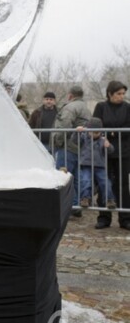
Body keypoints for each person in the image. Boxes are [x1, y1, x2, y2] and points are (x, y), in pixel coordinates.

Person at [92, 80, 130, 230]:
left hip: (124, 152)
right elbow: (96, 125)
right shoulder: (101, 107)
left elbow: (128, 127)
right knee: (103, 183)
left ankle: (125, 218)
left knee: (123, 185)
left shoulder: (127, 107)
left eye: (123, 94)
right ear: (110, 93)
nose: (121, 96)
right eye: (119, 93)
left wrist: (111, 132)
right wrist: (111, 132)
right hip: (104, 152)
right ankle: (103, 217)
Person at [53, 85, 91, 217]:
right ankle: (75, 206)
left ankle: (65, 207)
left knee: (63, 176)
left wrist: (57, 142)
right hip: (79, 147)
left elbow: (64, 126)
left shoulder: (70, 107)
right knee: (75, 178)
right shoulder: (86, 108)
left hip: (67, 146)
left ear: (70, 95)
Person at [76, 117, 116, 210]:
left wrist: (108, 145)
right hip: (86, 165)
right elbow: (75, 141)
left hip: (100, 166)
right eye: (92, 132)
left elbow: (111, 150)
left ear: (100, 131)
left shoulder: (102, 139)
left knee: (105, 182)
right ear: (88, 130)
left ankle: (110, 200)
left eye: (96, 132)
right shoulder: (84, 137)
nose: (94, 134)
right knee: (86, 181)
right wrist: (77, 132)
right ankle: (85, 198)